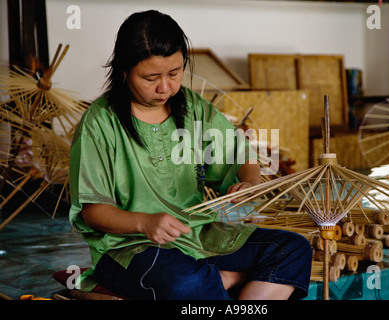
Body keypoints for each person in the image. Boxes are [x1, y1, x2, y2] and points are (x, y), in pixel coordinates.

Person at [69, 9, 312, 300]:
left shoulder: (193, 108)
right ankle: (225, 280)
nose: (166, 87)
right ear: (123, 70)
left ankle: (222, 282)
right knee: (184, 282)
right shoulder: (99, 124)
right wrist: (144, 222)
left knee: (293, 249)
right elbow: (93, 211)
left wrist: (247, 183)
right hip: (127, 247)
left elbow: (242, 157)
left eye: (174, 73)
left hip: (198, 235)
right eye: (150, 78)